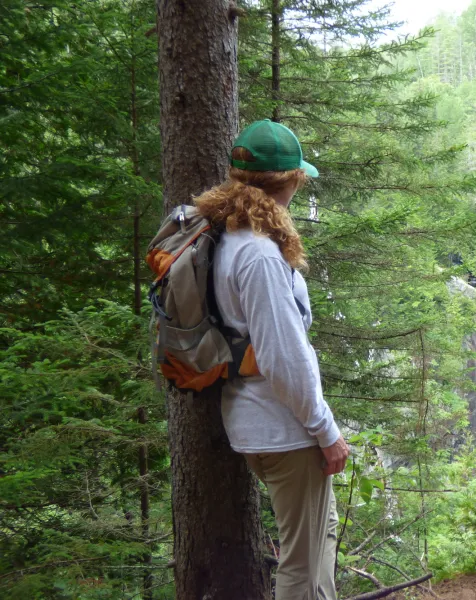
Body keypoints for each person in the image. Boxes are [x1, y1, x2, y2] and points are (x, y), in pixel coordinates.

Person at [194, 119, 350, 599]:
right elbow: (284, 357)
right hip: (286, 431)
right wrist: (327, 432)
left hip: (257, 422)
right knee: (303, 570)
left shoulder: (227, 237)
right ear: (291, 180)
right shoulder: (260, 255)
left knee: (317, 542)